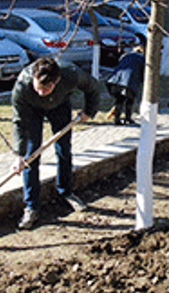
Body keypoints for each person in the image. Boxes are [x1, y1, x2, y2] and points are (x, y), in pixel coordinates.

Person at [12, 57, 101, 230]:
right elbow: (19, 122)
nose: (42, 92)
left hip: (59, 106)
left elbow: (93, 87)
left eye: (47, 88)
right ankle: (31, 206)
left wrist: (89, 111)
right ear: (34, 79)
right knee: (30, 157)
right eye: (39, 86)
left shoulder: (70, 74)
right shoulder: (22, 86)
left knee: (64, 150)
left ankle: (66, 192)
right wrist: (18, 155)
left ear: (57, 80)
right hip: (31, 111)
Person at [106, 44, 146, 125]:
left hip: (115, 79)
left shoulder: (125, 55)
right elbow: (143, 73)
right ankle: (127, 118)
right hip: (129, 81)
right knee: (130, 100)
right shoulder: (142, 59)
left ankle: (117, 119)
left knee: (119, 99)